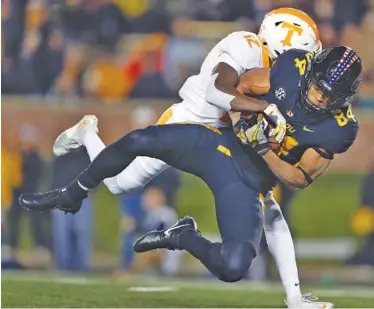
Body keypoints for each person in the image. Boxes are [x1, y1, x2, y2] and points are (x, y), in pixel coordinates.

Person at [20, 45, 361, 308]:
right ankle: (73, 193)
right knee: (143, 139)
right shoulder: (292, 67)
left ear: (343, 99)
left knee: (234, 266)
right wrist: (248, 116)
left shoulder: (339, 129)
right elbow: (240, 87)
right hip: (219, 144)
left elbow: (300, 177)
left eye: (330, 95)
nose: (319, 96)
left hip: (248, 180)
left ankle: (183, 236)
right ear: (311, 70)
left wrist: (264, 150)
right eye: (318, 86)